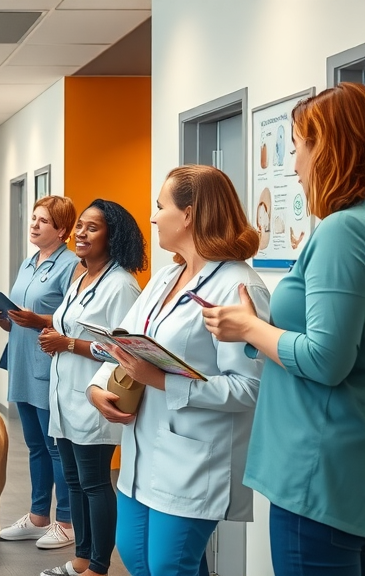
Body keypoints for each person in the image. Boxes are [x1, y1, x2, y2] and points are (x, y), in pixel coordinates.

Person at [202, 83, 365, 575]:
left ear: (329, 148)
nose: (294, 166)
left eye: (297, 149)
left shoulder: (342, 230)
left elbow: (326, 360)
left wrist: (250, 328)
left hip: (316, 469)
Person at [86, 165, 270, 576]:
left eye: (160, 206)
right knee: (135, 556)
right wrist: (98, 388)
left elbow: (250, 388)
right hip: (142, 448)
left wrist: (162, 381)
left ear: (188, 214)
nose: (153, 218)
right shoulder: (166, 277)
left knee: (170, 564)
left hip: (194, 457)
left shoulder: (238, 286)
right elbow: (123, 339)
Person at [37, 200, 146, 576]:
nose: (81, 233)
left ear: (112, 237)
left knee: (95, 482)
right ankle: (81, 559)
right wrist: (57, 336)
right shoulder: (82, 278)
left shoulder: (121, 286)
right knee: (74, 481)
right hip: (66, 397)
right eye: (80, 226)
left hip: (95, 399)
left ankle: (98, 566)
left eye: (92, 228)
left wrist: (67, 343)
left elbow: (124, 349)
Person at [0, 195, 78, 549]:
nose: (34, 224)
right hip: (22, 363)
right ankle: (39, 516)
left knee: (56, 448)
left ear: (62, 230)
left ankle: (67, 522)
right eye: (33, 218)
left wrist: (38, 320)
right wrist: (2, 318)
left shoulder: (71, 266)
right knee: (35, 446)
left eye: (43, 221)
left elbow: (73, 320)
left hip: (48, 366)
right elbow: (19, 321)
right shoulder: (29, 263)